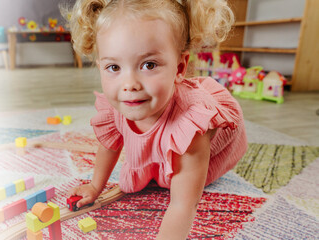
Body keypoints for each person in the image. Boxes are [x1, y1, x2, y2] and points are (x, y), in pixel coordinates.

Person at [65, 0, 246, 239]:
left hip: (211, 153)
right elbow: (109, 145)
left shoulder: (191, 126)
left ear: (180, 67)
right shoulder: (119, 105)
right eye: (114, 67)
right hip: (166, 126)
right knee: (156, 165)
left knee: (179, 181)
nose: (129, 85)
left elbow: (184, 206)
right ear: (100, 66)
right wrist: (95, 186)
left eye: (149, 65)